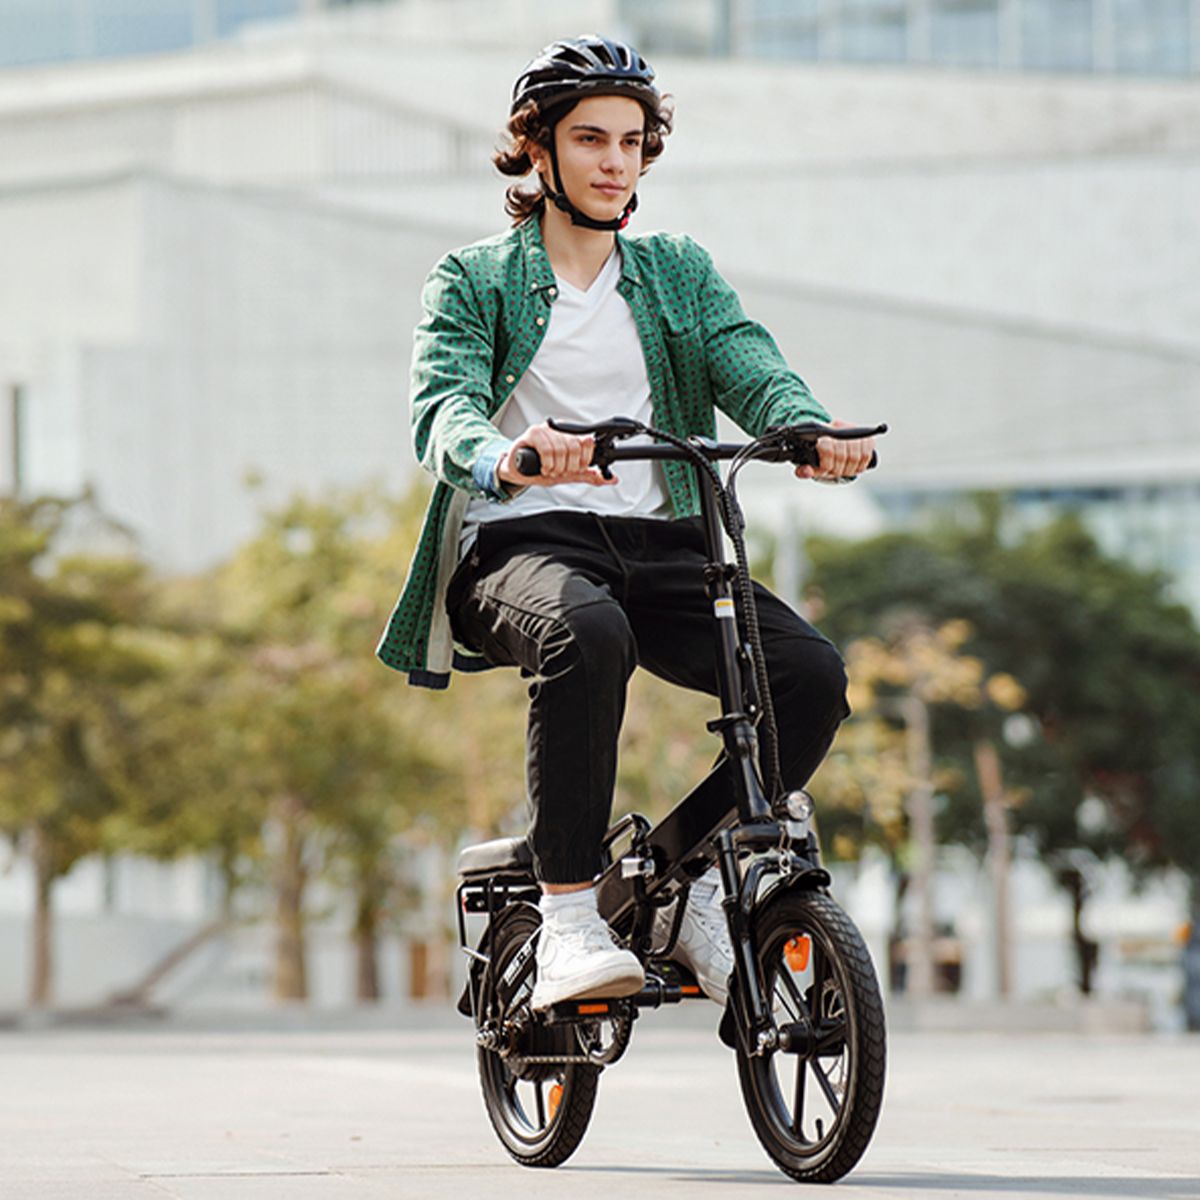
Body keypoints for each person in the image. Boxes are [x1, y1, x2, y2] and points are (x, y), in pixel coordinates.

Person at [377, 35, 874, 1011]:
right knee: (585, 630)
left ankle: (682, 876)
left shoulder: (677, 271)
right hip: (521, 543)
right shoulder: (474, 278)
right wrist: (508, 453)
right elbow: (442, 405)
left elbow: (746, 360)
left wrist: (801, 426)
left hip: (663, 546)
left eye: (633, 141)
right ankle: (568, 916)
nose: (614, 160)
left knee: (808, 676)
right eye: (590, 138)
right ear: (539, 150)